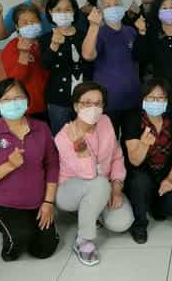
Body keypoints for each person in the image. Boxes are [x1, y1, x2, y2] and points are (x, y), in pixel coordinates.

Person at [0, 78, 59, 262]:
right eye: (7, 99)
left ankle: (31, 229)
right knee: (20, 237)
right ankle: (12, 241)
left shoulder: (41, 128)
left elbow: (52, 164)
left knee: (44, 250)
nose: (13, 103)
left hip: (36, 202)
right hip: (2, 204)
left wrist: (48, 202)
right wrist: (9, 166)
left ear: (27, 101)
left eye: (18, 97)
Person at [55, 82, 134, 266]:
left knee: (122, 222)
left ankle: (92, 212)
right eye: (87, 103)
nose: (93, 108)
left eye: (98, 103)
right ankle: (83, 240)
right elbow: (89, 174)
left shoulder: (105, 122)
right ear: (76, 106)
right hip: (69, 191)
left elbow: (117, 156)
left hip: (102, 187)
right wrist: (81, 148)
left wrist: (116, 188)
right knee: (99, 183)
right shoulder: (64, 136)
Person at [124, 78, 172, 244]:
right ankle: (139, 224)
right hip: (141, 172)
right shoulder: (133, 119)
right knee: (140, 183)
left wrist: (171, 178)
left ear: (167, 101)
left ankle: (156, 204)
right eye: (151, 98)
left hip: (163, 171)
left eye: (161, 98)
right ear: (143, 99)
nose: (156, 102)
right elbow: (135, 161)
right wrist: (144, 144)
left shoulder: (171, 120)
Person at [82, 0, 141, 138]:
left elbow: (139, 60)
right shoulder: (98, 32)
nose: (113, 8)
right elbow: (88, 55)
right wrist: (93, 26)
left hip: (133, 99)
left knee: (132, 143)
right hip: (108, 101)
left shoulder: (131, 31)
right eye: (107, 6)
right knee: (108, 144)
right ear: (100, 11)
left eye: (117, 4)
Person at [39, 0, 89, 134]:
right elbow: (44, 65)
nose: (63, 13)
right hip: (58, 99)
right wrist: (54, 45)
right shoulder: (46, 38)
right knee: (61, 138)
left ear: (74, 11)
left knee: (87, 137)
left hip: (85, 97)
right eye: (58, 10)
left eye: (68, 9)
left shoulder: (84, 35)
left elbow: (91, 63)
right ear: (50, 12)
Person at [1, 4, 49, 118]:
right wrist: (24, 55)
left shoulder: (47, 43)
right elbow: (15, 80)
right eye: (25, 22)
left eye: (34, 21)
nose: (30, 25)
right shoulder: (12, 47)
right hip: (28, 109)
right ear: (17, 26)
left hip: (51, 105)